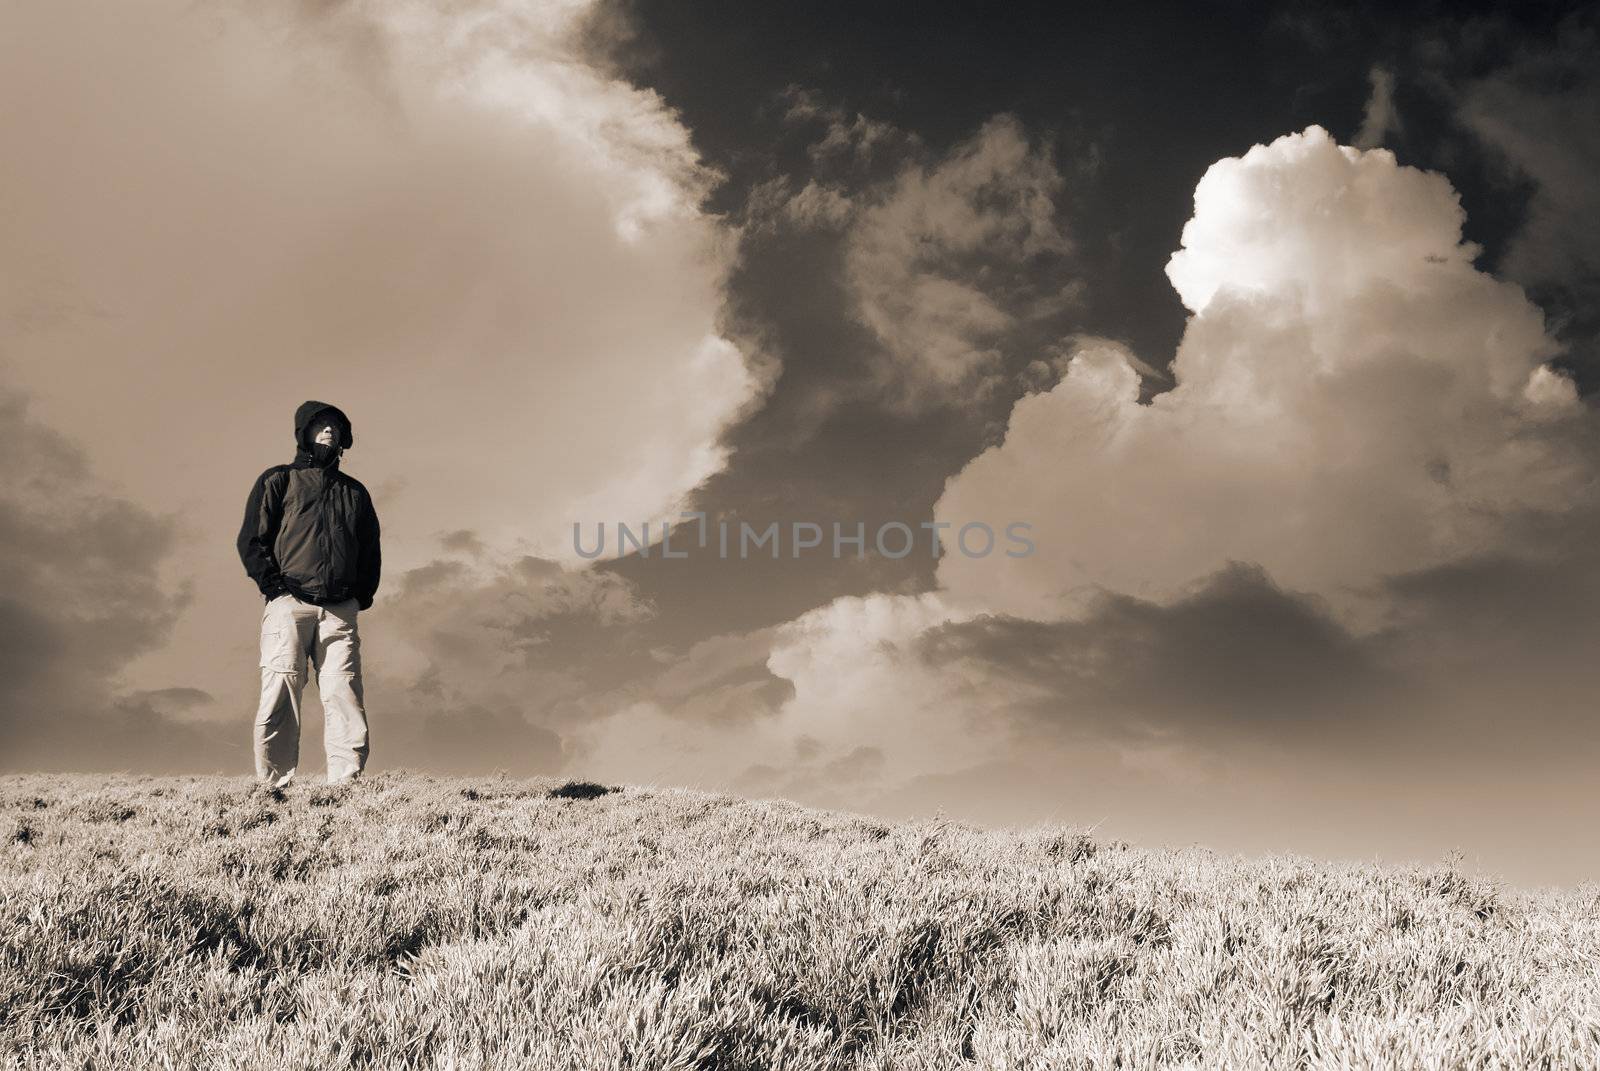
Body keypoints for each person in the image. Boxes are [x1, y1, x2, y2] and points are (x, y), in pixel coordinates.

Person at [237, 401, 381, 787]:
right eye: (320, 424)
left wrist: (359, 597)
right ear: (304, 431)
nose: (329, 430)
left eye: (335, 425)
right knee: (281, 692)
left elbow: (370, 550)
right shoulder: (278, 479)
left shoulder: (356, 493)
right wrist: (276, 589)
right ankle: (274, 786)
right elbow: (253, 540)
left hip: (339, 611)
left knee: (344, 694)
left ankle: (346, 785)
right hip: (289, 604)